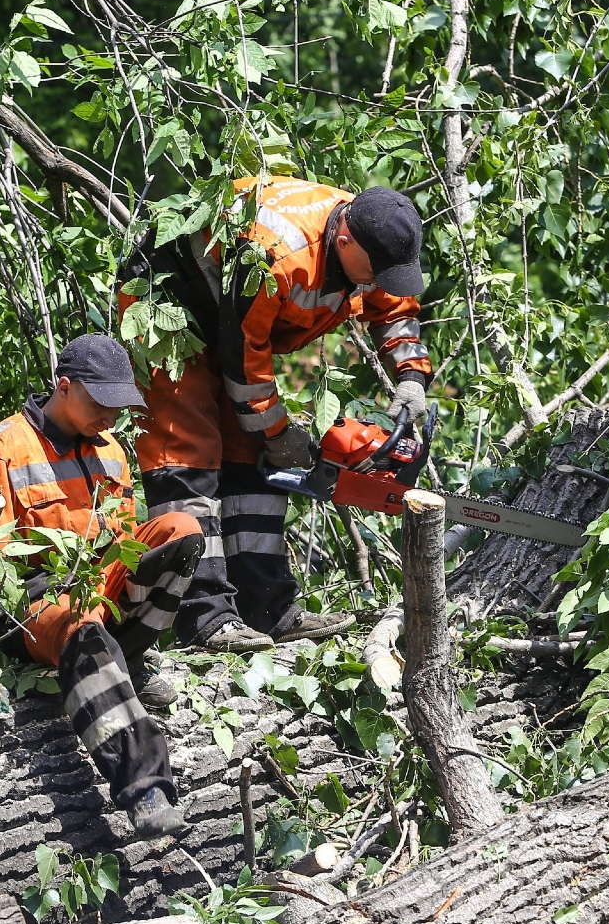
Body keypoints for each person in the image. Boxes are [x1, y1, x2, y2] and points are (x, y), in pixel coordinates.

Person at [125, 177, 432, 653]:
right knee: (187, 447)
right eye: (373, 271)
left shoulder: (372, 231)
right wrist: (278, 430)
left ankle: (267, 609)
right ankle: (204, 618)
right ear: (345, 238)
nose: (375, 282)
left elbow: (393, 305)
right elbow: (243, 358)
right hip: (166, 303)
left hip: (234, 316)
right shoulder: (278, 254)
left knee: (251, 454)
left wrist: (411, 374)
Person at [0, 334, 202, 839]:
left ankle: (128, 659)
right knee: (81, 625)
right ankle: (145, 789)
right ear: (64, 387)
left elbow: (127, 539)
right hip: (31, 601)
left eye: (119, 406)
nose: (110, 418)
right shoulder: (0, 448)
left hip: (97, 585)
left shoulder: (111, 449)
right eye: (100, 405)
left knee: (182, 532)